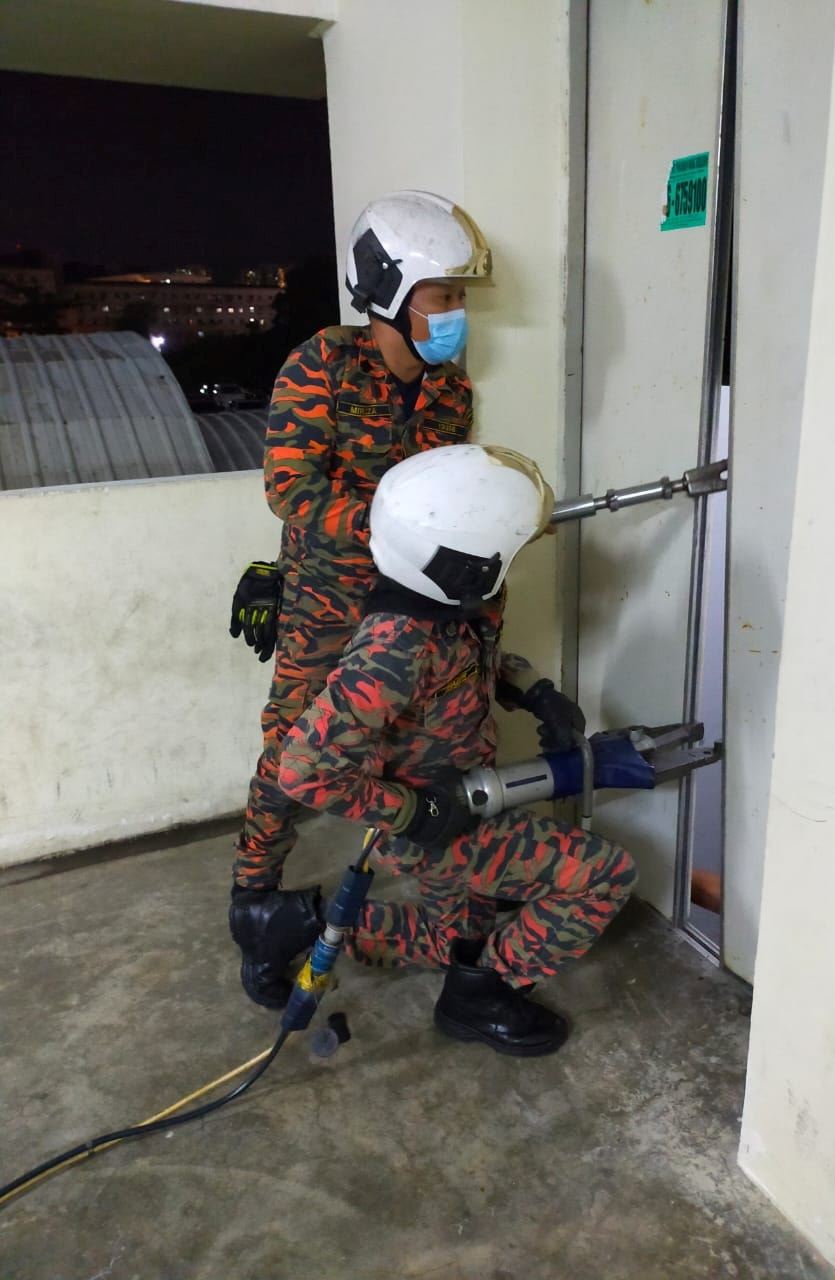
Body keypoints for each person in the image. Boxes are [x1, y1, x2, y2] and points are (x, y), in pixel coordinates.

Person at [276, 445, 638, 1057]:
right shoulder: (396, 646)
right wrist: (414, 814)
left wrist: (535, 694)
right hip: (435, 823)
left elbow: (479, 667)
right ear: (465, 562)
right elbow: (304, 770)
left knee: (458, 939)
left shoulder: (454, 605)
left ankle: (302, 922)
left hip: (464, 797)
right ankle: (479, 998)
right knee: (604, 875)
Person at [229, 191, 495, 1008]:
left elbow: (450, 495)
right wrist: (393, 535)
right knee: (289, 757)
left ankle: (464, 911)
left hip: (411, 615)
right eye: (442, 296)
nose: (455, 314)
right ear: (390, 291)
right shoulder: (322, 366)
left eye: (459, 298)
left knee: (431, 752)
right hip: (326, 606)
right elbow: (291, 489)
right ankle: (254, 905)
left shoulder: (451, 392)